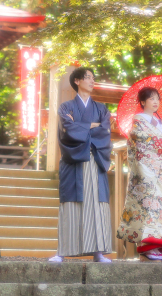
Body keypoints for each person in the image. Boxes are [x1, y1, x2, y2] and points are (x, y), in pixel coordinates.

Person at [49, 67, 113, 263]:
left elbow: (104, 131)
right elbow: (67, 130)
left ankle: (98, 252)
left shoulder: (101, 108)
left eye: (93, 78)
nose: (92, 81)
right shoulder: (65, 107)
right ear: (77, 81)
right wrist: (90, 126)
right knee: (71, 204)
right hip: (74, 161)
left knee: (97, 205)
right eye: (88, 78)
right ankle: (62, 252)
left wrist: (82, 127)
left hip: (95, 160)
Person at [117, 87, 162, 261]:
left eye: (157, 99)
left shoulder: (160, 123)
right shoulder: (139, 120)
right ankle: (147, 247)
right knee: (149, 207)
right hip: (147, 172)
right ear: (143, 102)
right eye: (151, 99)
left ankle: (156, 246)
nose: (155, 102)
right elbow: (138, 139)